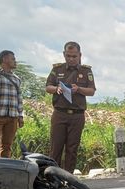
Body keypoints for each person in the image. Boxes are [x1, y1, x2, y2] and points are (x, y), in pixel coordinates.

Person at [45, 41, 96, 173]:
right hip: (60, 113)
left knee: (72, 149)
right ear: (64, 54)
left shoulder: (86, 71)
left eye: (74, 56)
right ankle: (53, 176)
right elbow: (47, 87)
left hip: (77, 115)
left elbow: (91, 91)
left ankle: (68, 178)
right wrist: (57, 88)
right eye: (68, 56)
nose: (71, 59)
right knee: (56, 147)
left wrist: (78, 89)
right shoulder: (57, 69)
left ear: (80, 55)